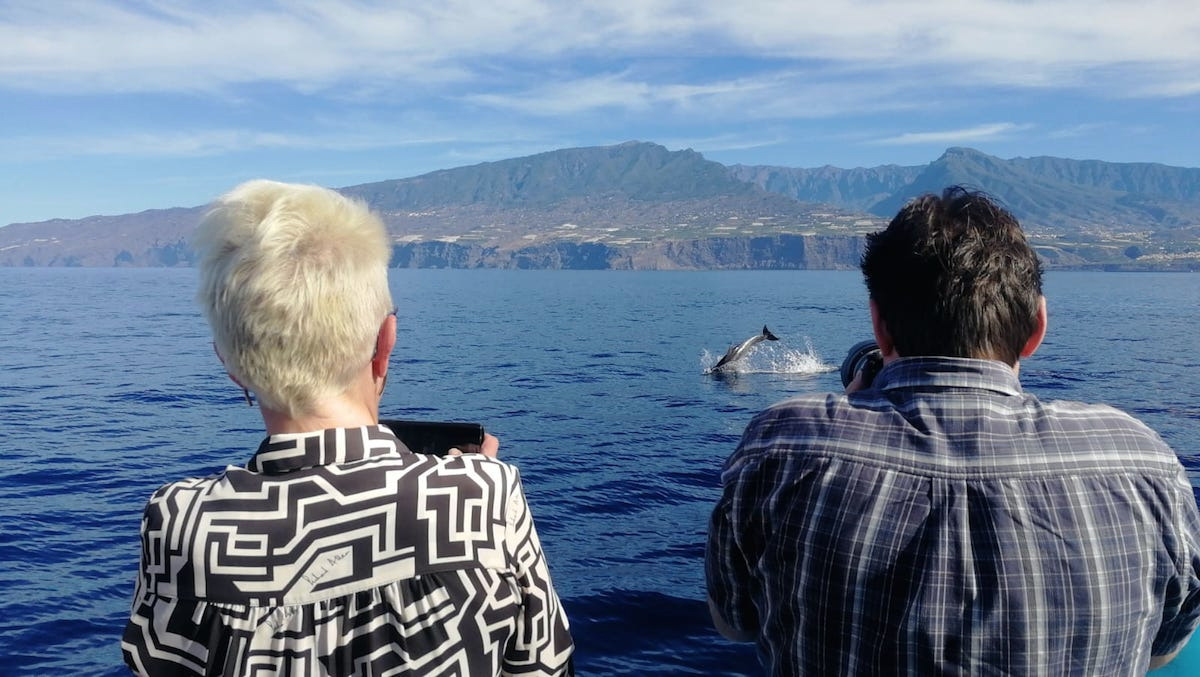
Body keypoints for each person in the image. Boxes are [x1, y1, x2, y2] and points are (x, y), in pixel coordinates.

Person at [705, 186, 1200, 675]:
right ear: (1037, 328)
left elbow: (733, 623)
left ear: (879, 326)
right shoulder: (1142, 461)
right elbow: (1162, 651)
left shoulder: (784, 442)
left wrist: (851, 415)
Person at [121, 180, 574, 675]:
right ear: (385, 341)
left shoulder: (177, 521)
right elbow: (545, 666)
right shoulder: (486, 495)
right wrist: (469, 493)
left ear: (231, 363)